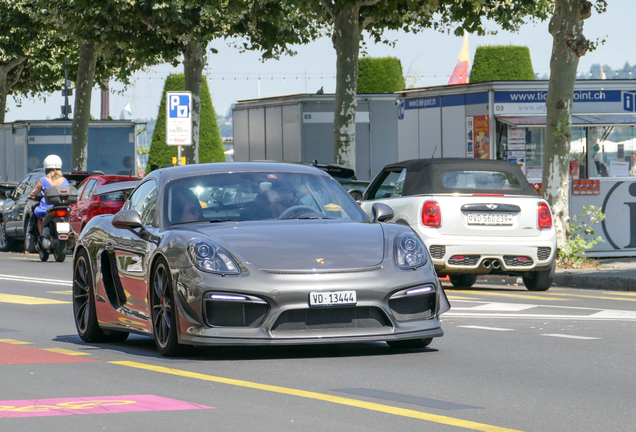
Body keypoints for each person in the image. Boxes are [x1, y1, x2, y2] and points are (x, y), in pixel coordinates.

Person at [27, 155, 69, 235]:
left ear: (46, 168)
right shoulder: (65, 180)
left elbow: (34, 193)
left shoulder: (43, 180)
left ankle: (42, 235)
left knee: (38, 216)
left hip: (47, 208)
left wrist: (31, 196)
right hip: (62, 207)